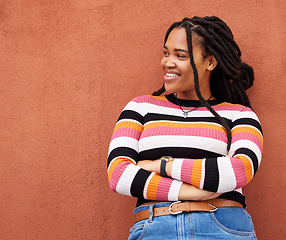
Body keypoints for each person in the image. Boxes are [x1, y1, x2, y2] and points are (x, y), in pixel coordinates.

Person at [107, 16, 263, 240]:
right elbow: (118, 175)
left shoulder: (239, 114)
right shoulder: (140, 108)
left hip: (222, 228)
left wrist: (160, 165)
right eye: (166, 53)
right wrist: (190, 192)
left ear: (210, 62)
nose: (168, 62)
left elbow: (238, 171)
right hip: (154, 227)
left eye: (180, 55)